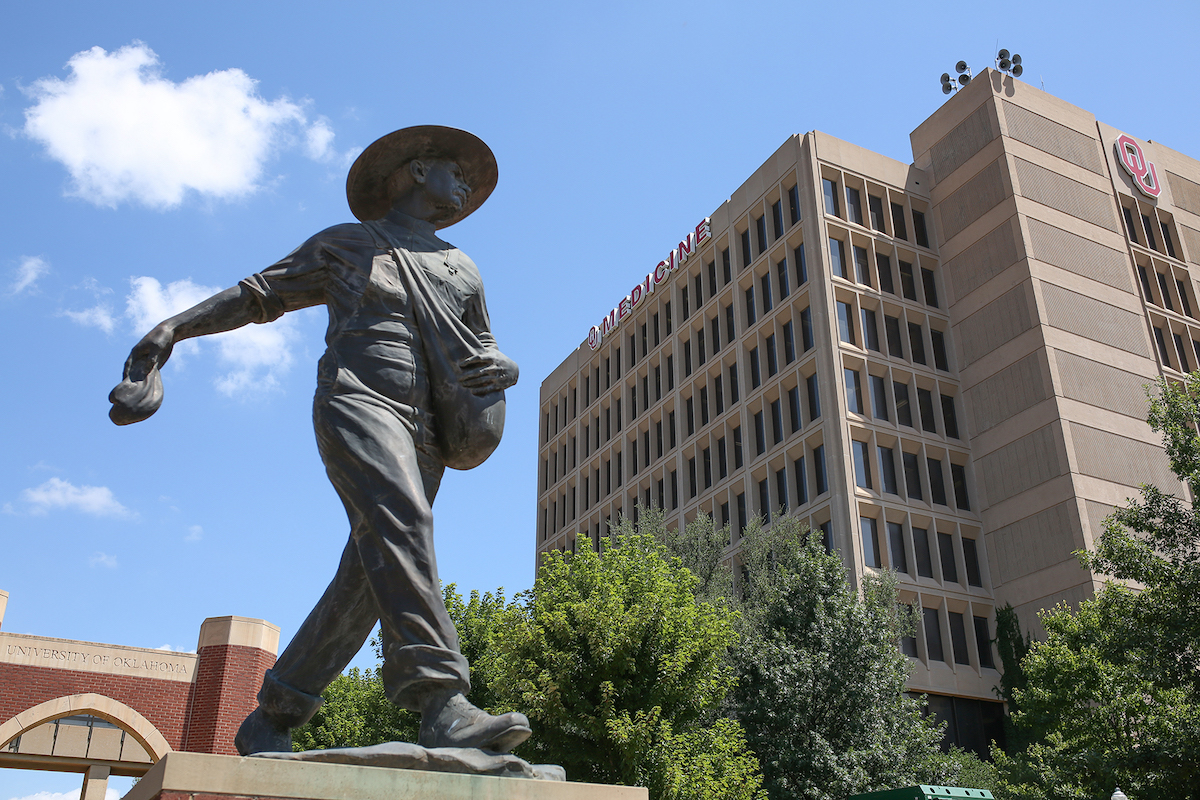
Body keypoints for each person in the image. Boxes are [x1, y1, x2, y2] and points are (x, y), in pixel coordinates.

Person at [110, 126, 528, 755]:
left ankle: (274, 714)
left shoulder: (462, 267)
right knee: (402, 521)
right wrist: (171, 329)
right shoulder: (348, 245)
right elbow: (257, 296)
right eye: (455, 171)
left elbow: (483, 350)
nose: (466, 186)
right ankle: (441, 700)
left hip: (431, 425)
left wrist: (508, 371)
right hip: (357, 398)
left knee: (368, 572)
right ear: (416, 171)